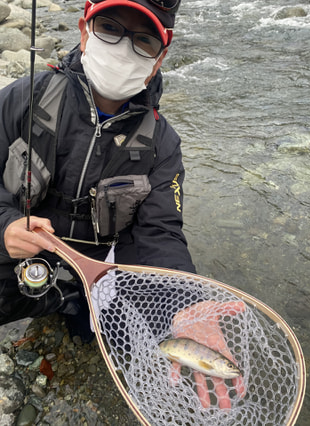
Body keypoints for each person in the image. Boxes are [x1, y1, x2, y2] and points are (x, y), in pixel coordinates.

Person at [0, 0, 244, 410]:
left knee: (114, 345)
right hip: (19, 258)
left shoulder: (163, 145)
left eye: (144, 40)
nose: (123, 48)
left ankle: (74, 313)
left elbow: (159, 234)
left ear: (160, 57)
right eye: (110, 28)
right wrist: (4, 226)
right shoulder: (21, 99)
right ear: (83, 30)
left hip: (97, 275)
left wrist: (184, 306)